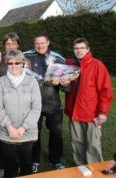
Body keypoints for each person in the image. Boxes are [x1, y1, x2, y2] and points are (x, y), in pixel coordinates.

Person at [24, 33, 70, 172]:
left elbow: (67, 86)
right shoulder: (27, 56)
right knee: (34, 133)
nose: (39, 46)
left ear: (48, 43)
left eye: (42, 43)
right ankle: (34, 159)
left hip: (53, 103)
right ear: (34, 44)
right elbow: (12, 58)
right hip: (33, 103)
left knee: (56, 133)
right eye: (37, 43)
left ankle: (55, 160)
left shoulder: (58, 58)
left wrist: (65, 83)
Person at [64, 38, 113, 165]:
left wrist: (103, 112)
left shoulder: (97, 65)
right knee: (76, 141)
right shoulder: (70, 65)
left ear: (88, 49)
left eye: (82, 48)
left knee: (93, 144)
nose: (79, 51)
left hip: (91, 113)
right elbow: (66, 87)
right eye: (76, 48)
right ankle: (80, 167)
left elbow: (105, 90)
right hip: (74, 111)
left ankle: (95, 169)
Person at [0, 49, 42, 178]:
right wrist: (9, 128)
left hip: (27, 132)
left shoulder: (32, 81)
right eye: (10, 63)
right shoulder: (1, 82)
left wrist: (22, 128)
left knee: (26, 164)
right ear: (6, 64)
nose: (14, 66)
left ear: (23, 64)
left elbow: (36, 107)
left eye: (17, 63)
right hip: (7, 132)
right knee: (9, 166)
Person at [0, 31, 20, 178]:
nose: (10, 46)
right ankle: (1, 166)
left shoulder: (23, 59)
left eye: (13, 43)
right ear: (4, 46)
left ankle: (15, 165)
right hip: (4, 105)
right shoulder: (0, 61)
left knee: (18, 138)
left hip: (20, 105)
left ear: (18, 44)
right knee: (3, 136)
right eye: (7, 43)